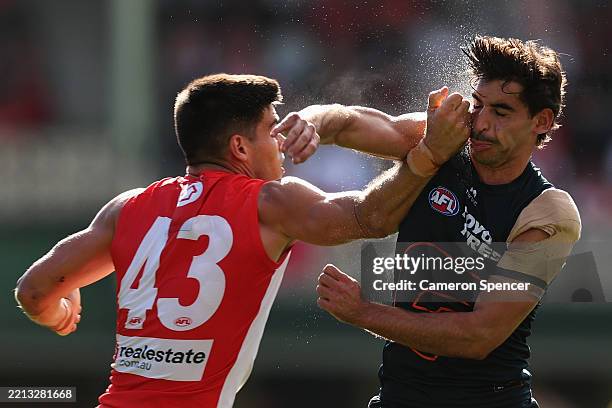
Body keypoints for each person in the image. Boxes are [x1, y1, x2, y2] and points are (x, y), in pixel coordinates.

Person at [14, 73, 469, 407]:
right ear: (239, 148)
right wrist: (428, 157)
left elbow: (33, 290)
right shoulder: (270, 202)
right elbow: (371, 217)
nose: (278, 144)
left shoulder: (127, 206)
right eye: (270, 130)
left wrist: (58, 312)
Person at [298, 36, 581, 407]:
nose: (481, 124)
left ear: (541, 121)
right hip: (400, 396)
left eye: (501, 111)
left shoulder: (549, 211)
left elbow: (478, 336)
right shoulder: (445, 142)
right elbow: (353, 123)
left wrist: (363, 312)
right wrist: (308, 122)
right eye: (478, 106)